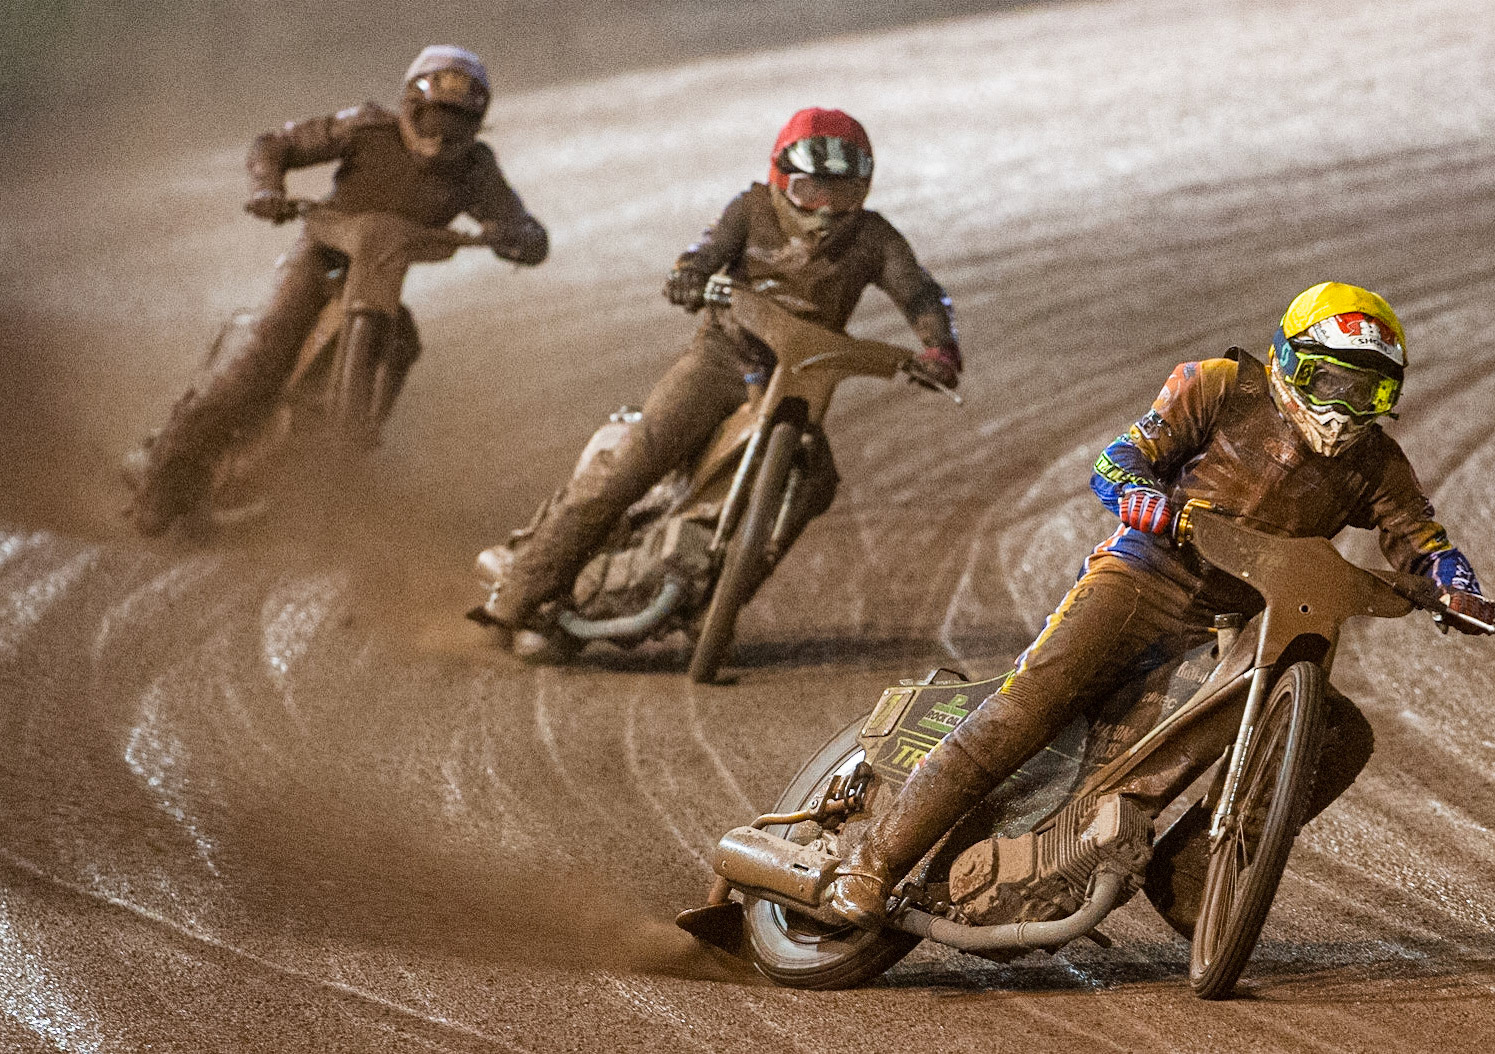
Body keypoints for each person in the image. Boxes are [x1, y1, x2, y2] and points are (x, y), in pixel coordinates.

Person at [823, 281, 1495, 929]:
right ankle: (872, 863)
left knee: (1339, 731)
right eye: (1332, 383)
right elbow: (1119, 458)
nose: (1345, 408)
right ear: (1290, 363)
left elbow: (1424, 541)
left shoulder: (1377, 462)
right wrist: (1141, 497)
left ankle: (1193, 876)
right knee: (1030, 703)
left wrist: (1455, 587)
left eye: (1367, 391)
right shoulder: (1218, 385)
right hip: (1144, 575)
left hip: (1244, 626)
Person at [475, 107, 961, 656]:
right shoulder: (749, 210)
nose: (825, 210)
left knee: (817, 481)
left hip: (801, 382)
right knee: (634, 461)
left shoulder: (874, 238)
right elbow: (702, 254)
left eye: (842, 194)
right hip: (721, 360)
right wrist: (689, 277)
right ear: (781, 180)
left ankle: (714, 607)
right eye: (809, 191)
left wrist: (939, 348)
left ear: (863, 191)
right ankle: (516, 595)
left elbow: (920, 293)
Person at [127, 45, 549, 536]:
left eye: (456, 123)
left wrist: (518, 237)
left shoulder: (476, 168)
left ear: (475, 125)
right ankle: (162, 482)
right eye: (434, 117)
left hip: (380, 283)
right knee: (262, 360)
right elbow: (274, 144)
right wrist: (267, 189)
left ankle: (350, 458)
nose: (441, 133)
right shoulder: (366, 127)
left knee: (404, 343)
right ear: (409, 104)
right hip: (319, 260)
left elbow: (525, 227)